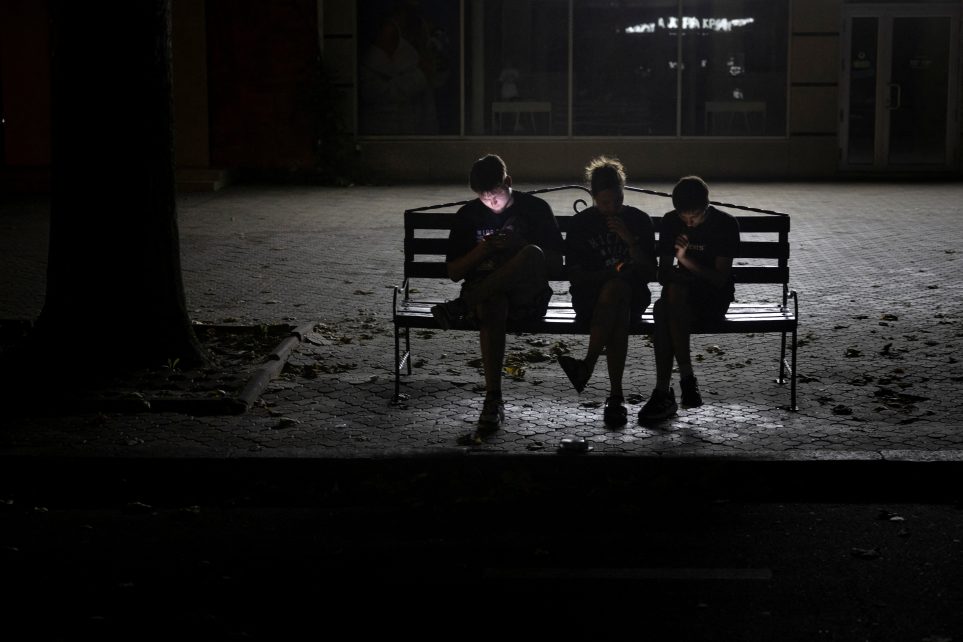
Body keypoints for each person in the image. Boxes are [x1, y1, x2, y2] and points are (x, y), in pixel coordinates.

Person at [431, 154, 564, 430]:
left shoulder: (536, 209)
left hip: (528, 296)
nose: (492, 203)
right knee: (493, 304)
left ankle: (460, 305)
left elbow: (555, 264)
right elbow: (455, 271)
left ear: (509, 182)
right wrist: (484, 249)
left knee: (531, 253)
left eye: (497, 195)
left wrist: (519, 244)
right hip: (487, 297)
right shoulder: (468, 215)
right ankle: (493, 398)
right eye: (484, 197)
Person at [556, 157, 656, 426]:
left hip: (633, 299)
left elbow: (650, 272)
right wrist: (608, 276)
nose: (611, 209)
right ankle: (615, 396)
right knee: (616, 297)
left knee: (619, 294)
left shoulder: (638, 220)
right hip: (590, 300)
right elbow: (574, 276)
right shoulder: (581, 225)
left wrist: (630, 240)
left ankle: (587, 365)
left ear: (624, 193)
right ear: (593, 197)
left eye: (617, 202)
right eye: (604, 204)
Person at [637, 176, 740, 422]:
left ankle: (664, 390)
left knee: (664, 310)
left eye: (695, 216)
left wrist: (684, 261)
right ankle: (686, 381)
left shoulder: (724, 224)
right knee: (670, 300)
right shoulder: (671, 222)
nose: (689, 222)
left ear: (707, 206)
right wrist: (675, 271)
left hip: (712, 299)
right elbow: (662, 274)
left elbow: (718, 279)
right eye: (685, 217)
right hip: (679, 299)